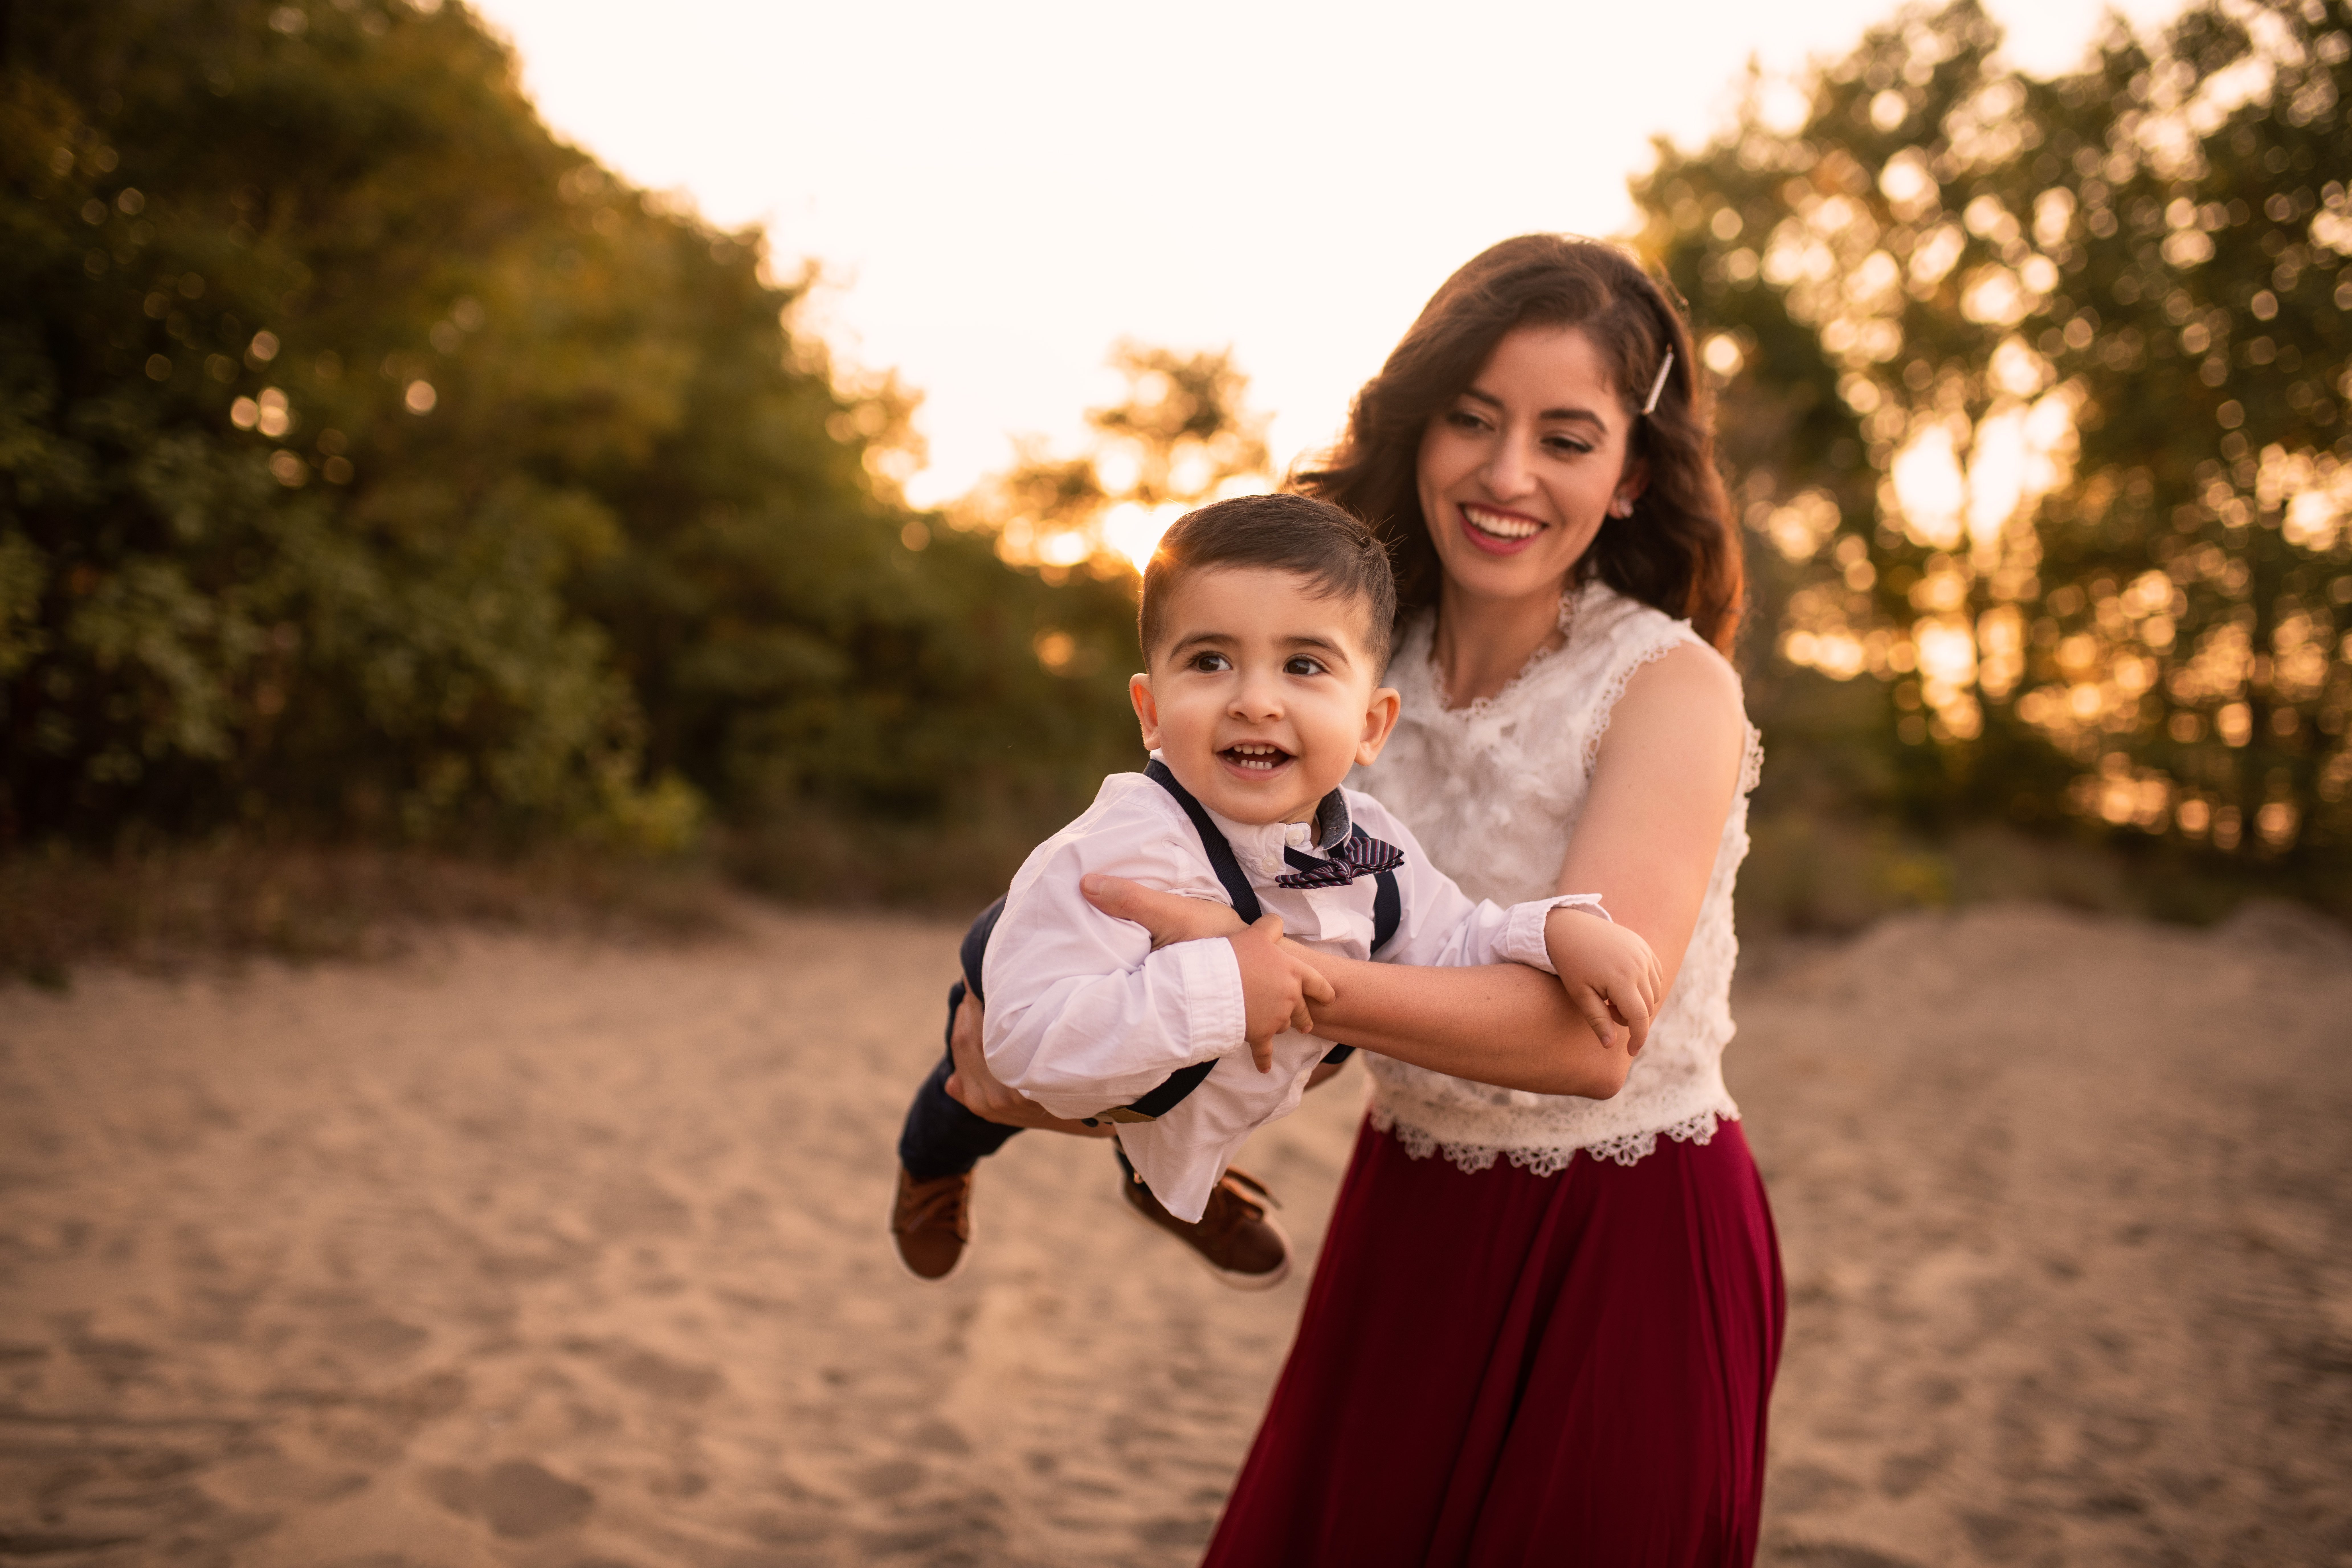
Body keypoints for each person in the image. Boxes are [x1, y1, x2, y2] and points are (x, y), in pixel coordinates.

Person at [949, 234, 1782, 1563]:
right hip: (1409, 1221)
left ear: (1631, 474)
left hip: (1626, 1242)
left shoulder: (1671, 687)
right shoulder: (1334, 669)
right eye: (1473, 419)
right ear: (1419, 429)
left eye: (1567, 438)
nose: (1508, 476)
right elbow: (1219, 960)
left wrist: (1267, 969)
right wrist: (1043, 1068)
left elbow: (1588, 1040)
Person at [891, 492, 1662, 1285]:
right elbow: (1028, 1046)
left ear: (1371, 725)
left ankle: (1171, 1186)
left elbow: (1454, 941)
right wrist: (1228, 978)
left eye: (1303, 665)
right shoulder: (1118, 856)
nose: (1255, 699)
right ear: (1152, 713)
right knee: (963, 1108)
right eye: (1210, 661)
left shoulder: (1372, 847)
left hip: (1199, 1077)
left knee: (1188, 1101)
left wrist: (1553, 931)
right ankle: (928, 1171)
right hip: (1041, 996)